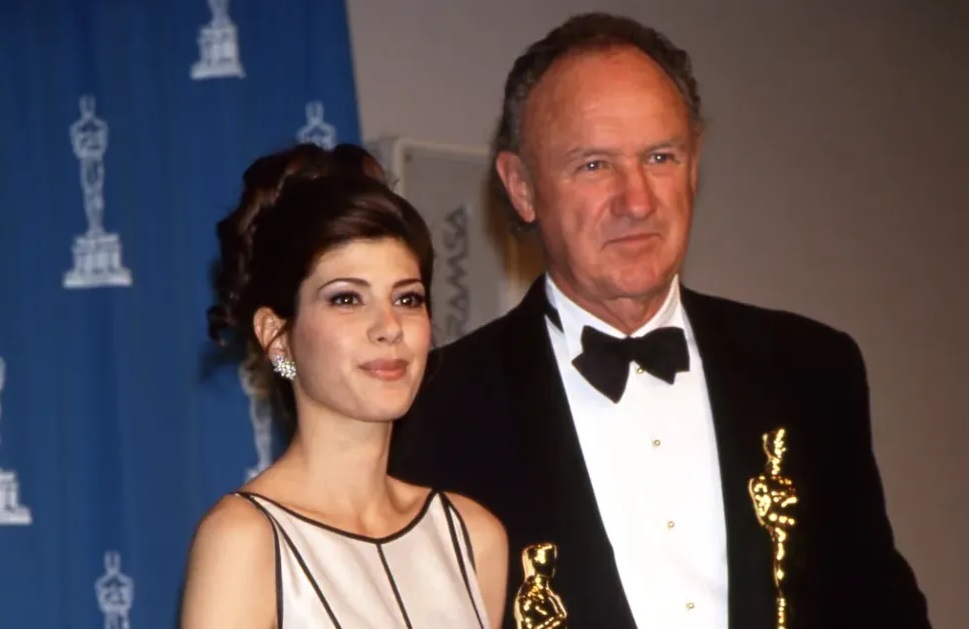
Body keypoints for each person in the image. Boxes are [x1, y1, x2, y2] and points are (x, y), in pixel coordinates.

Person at [389, 12, 931, 629]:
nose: (638, 200)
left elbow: (879, 607)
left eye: (660, 156)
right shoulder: (433, 408)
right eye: (594, 165)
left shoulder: (810, 369)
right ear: (522, 187)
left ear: (694, 166)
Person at [181, 143, 508, 628]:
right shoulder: (245, 539)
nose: (389, 327)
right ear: (276, 335)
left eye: (408, 299)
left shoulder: (473, 537)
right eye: (347, 299)